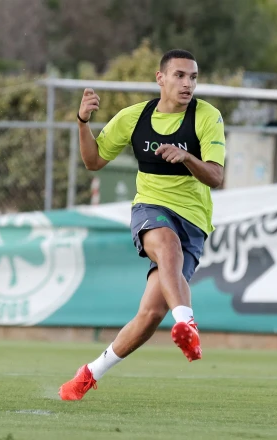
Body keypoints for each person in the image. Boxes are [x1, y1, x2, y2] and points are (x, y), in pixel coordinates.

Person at [59, 49, 225, 401]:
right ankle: (187, 324)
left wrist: (187, 156)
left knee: (150, 314)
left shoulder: (207, 116)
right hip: (151, 208)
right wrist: (82, 122)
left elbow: (216, 177)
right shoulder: (135, 117)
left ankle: (89, 373)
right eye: (180, 75)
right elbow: (93, 161)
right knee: (167, 244)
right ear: (160, 78)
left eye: (193, 77)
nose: (188, 84)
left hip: (193, 221)